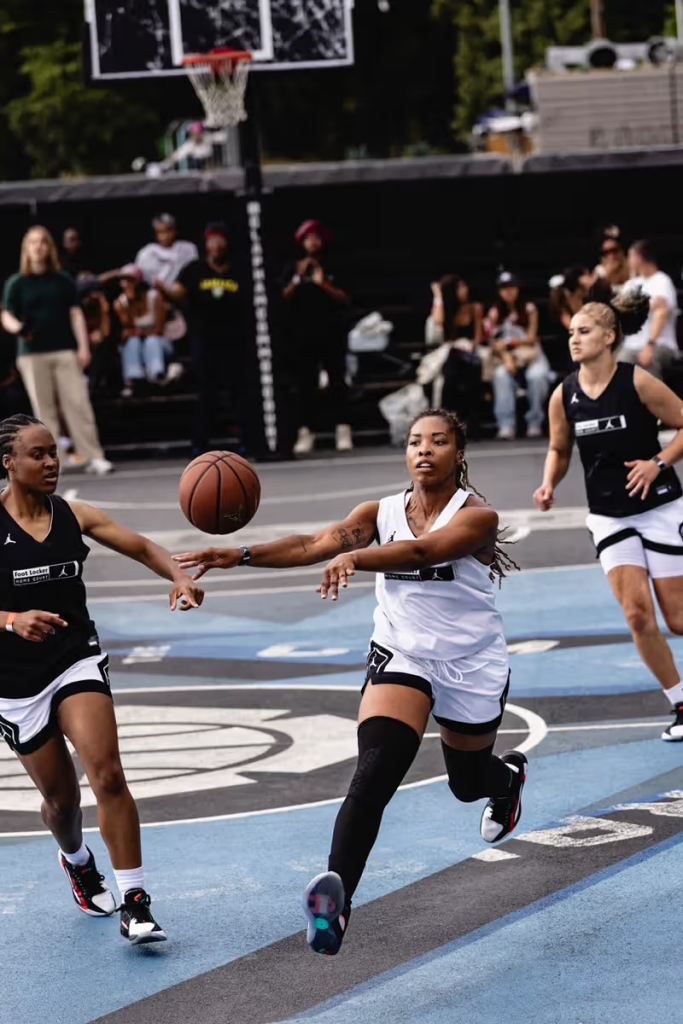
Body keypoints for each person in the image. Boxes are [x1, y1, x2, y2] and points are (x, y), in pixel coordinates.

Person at [174, 408, 526, 956]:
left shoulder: (477, 516)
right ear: (405, 453)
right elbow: (314, 543)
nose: (424, 450)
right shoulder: (379, 512)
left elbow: (422, 551)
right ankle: (336, 902)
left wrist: (356, 557)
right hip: (402, 653)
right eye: (414, 442)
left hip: (471, 662)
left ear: (460, 454)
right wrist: (239, 554)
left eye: (438, 441)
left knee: (467, 781)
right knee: (375, 772)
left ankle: (505, 782)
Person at [0, 413, 204, 943]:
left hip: (75, 659)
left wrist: (179, 576)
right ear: (8, 463)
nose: (51, 463)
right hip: (14, 681)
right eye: (38, 455)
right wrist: (10, 620)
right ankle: (76, 858)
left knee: (108, 773)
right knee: (62, 804)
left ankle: (136, 901)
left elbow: (139, 546)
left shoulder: (74, 515)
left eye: (54, 453)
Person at [533, 291, 683, 742]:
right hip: (609, 516)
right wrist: (548, 483)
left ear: (609, 335)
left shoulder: (636, 382)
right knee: (638, 615)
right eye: (571, 333)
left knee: (677, 618)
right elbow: (560, 449)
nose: (574, 340)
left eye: (584, 331)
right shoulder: (565, 394)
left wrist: (658, 462)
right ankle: (681, 702)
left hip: (659, 507)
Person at [1, 226, 113, 475]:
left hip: (64, 350)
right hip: (32, 353)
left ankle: (94, 455)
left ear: (50, 247)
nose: (38, 246)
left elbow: (75, 314)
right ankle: (53, 462)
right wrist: (19, 328)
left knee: (78, 403)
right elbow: (6, 315)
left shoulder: (62, 280)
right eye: (33, 242)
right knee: (44, 410)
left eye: (42, 242)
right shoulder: (17, 283)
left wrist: (83, 346)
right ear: (26, 249)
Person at [156, 222, 254, 456]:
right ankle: (200, 444)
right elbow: (177, 292)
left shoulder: (239, 269)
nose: (216, 244)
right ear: (206, 243)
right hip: (205, 341)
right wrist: (162, 289)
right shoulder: (195, 269)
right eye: (212, 240)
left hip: (234, 342)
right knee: (206, 396)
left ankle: (247, 442)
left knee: (238, 395)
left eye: (220, 239)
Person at [281, 219, 353, 455]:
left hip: (331, 332)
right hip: (302, 335)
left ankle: (343, 430)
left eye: (316, 237)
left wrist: (322, 284)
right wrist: (297, 278)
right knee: (305, 385)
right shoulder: (294, 266)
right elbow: (282, 297)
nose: (312, 242)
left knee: (337, 381)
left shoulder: (333, 264)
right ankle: (306, 433)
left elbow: (345, 297)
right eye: (308, 238)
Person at [487, 271, 551, 440]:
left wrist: (511, 342)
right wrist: (507, 359)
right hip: (507, 357)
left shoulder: (529, 308)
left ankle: (535, 422)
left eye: (511, 287)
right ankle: (506, 424)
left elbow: (531, 339)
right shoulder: (494, 312)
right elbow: (495, 343)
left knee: (537, 376)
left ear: (518, 288)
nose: (508, 291)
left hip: (531, 354)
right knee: (501, 376)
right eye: (504, 288)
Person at [136, 213, 199, 384]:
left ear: (175, 231)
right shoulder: (146, 254)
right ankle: (155, 372)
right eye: (160, 232)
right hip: (156, 304)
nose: (165, 236)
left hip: (183, 302)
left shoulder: (187, 250)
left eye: (168, 231)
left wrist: (172, 294)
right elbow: (140, 285)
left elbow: (193, 278)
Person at [429, 275, 484, 433]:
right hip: (450, 353)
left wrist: (470, 347)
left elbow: (478, 336)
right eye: (460, 287)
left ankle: (472, 423)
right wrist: (438, 295)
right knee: (450, 378)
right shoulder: (445, 309)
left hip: (469, 353)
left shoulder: (475, 307)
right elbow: (438, 321)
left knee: (472, 375)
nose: (464, 290)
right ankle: (448, 422)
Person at [618, 239, 679, 381]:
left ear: (639, 258)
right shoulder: (631, 284)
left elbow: (662, 312)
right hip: (630, 345)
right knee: (618, 365)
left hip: (659, 344)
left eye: (630, 256)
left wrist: (650, 345)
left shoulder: (662, 281)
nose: (628, 261)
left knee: (648, 362)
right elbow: (620, 310)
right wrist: (647, 305)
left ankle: (656, 403)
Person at [112, 264, 168, 397]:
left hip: (160, 343)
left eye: (130, 280)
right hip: (137, 345)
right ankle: (134, 379)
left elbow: (159, 329)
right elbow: (127, 330)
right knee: (132, 342)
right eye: (123, 281)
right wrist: (129, 305)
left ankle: (156, 375)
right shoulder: (121, 302)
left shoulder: (154, 297)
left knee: (151, 341)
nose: (126, 284)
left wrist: (140, 333)